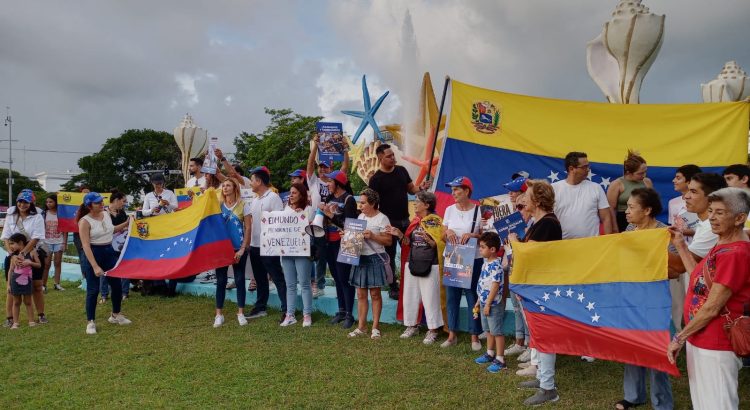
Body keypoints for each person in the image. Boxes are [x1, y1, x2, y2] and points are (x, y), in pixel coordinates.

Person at [667, 187, 750, 410]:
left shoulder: (735, 253)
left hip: (716, 343)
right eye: (711, 211)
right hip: (700, 337)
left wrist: (679, 337)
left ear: (739, 218)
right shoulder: (722, 243)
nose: (711, 217)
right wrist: (681, 246)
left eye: (720, 212)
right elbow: (699, 280)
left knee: (717, 404)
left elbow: (713, 306)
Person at [614, 188, 674, 410]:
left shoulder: (665, 233)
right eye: (626, 206)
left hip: (656, 301)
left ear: (647, 210)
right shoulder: (629, 229)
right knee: (632, 345)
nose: (626, 211)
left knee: (657, 349)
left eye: (631, 207)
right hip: (631, 297)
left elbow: (674, 269)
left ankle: (662, 403)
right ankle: (633, 395)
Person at [554, 152, 612, 367]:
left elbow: (606, 216)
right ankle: (565, 342)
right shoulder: (555, 189)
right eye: (584, 166)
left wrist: (609, 243)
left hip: (591, 253)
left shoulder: (596, 188)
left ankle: (591, 345)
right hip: (563, 254)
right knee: (565, 299)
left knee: (590, 300)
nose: (588, 169)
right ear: (571, 168)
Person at [515, 179, 564, 406]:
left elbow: (528, 253)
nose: (524, 199)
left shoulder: (548, 223)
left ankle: (548, 387)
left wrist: (513, 242)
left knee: (545, 337)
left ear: (537, 200)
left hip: (542, 288)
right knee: (539, 335)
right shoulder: (540, 222)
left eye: (528, 195)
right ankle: (542, 378)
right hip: (535, 286)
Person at [368, 143, 427, 300]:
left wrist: (420, 188)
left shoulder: (401, 170)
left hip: (405, 221)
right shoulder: (375, 179)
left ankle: (416, 281)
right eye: (389, 156)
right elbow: (372, 203)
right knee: (390, 256)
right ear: (380, 158)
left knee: (413, 250)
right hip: (388, 224)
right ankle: (393, 286)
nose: (393, 158)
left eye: (393, 154)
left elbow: (411, 189)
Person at [392, 190, 445, 345]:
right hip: (413, 262)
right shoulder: (415, 221)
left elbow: (440, 244)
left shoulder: (435, 221)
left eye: (418, 201)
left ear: (427, 204)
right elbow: (408, 243)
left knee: (430, 297)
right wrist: (399, 234)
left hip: (431, 264)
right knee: (410, 295)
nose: (415, 203)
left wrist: (431, 241)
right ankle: (411, 325)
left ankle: (433, 329)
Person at [77, 192, 132, 334]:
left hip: (109, 251)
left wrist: (126, 224)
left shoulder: (106, 214)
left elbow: (111, 230)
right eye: (97, 203)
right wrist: (95, 266)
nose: (101, 204)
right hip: (93, 254)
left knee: (117, 285)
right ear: (89, 206)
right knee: (93, 290)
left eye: (101, 201)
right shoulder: (84, 221)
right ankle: (90, 322)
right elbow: (86, 246)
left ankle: (116, 314)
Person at [441, 176, 483, 350]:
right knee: (452, 297)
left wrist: (473, 236)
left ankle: (475, 335)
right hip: (452, 258)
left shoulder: (479, 211)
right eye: (452, 190)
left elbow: (486, 235)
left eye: (457, 189)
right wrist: (448, 232)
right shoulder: (449, 210)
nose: (453, 193)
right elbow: (442, 235)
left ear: (467, 191)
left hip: (473, 259)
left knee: (472, 296)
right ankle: (452, 334)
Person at [306, 135, 349, 298]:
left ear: (331, 169)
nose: (322, 170)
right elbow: (309, 164)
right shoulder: (314, 182)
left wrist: (345, 149)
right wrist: (315, 146)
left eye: (326, 167)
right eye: (320, 167)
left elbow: (345, 167)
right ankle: (316, 284)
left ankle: (325, 284)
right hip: (317, 223)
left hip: (334, 224)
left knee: (328, 256)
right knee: (315, 254)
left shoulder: (335, 183)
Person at [346, 188, 391, 339]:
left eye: (363, 203)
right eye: (360, 202)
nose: (360, 205)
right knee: (360, 294)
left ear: (372, 203)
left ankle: (375, 327)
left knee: (375, 294)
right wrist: (346, 236)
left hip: (374, 258)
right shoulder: (360, 217)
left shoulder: (382, 219)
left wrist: (372, 236)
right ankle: (361, 327)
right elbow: (355, 239)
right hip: (360, 258)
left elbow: (388, 241)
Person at [245, 166, 287, 322]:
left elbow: (279, 221)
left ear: (259, 181)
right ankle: (260, 307)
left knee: (277, 277)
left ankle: (286, 309)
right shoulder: (254, 200)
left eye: (252, 181)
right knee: (260, 278)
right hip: (255, 244)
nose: (250, 184)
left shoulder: (273, 198)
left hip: (269, 245)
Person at [318, 170, 358, 329]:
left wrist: (331, 215)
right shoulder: (329, 198)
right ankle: (341, 310)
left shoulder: (349, 199)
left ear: (338, 183)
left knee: (345, 278)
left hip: (346, 243)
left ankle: (349, 314)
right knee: (336, 278)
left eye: (330, 181)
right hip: (330, 243)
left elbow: (351, 225)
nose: (327, 184)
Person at [1, 190, 46, 326]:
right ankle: (10, 318)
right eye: (20, 201)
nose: (22, 204)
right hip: (14, 256)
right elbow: (6, 237)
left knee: (37, 286)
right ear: (17, 201)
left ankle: (41, 315)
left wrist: (23, 254)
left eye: (26, 202)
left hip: (33, 253)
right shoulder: (10, 216)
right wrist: (12, 254)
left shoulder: (37, 217)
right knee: (12, 287)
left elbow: (36, 237)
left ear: (31, 203)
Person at [668, 173, 728, 275]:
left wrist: (650, 245)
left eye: (693, 192)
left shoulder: (712, 228)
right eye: (688, 190)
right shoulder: (705, 224)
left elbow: (680, 266)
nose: (686, 196)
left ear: (712, 198)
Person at [667, 164, 702, 331]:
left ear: (689, 182)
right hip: (677, 254)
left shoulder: (702, 204)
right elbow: (672, 227)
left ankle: (693, 329)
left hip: (696, 255)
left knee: (693, 295)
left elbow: (706, 229)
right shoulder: (673, 203)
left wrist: (686, 231)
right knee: (676, 297)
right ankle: (677, 331)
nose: (674, 180)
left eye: (678, 177)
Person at [213, 178, 251, 328]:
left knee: (240, 279)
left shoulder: (244, 205)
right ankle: (218, 314)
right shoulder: (218, 206)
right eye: (223, 186)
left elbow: (248, 228)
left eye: (228, 185)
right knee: (221, 280)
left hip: (238, 248)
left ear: (235, 188)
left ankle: (240, 313)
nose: (225, 188)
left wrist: (242, 248)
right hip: (222, 249)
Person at [501, 173, 530, 358]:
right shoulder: (510, 214)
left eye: (514, 191)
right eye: (510, 191)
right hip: (511, 262)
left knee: (524, 305)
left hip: (524, 264)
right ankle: (520, 341)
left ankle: (529, 343)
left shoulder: (528, 215)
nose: (510, 194)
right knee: (516, 304)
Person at [280, 183, 314, 327]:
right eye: (290, 192)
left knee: (305, 283)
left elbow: (312, 229)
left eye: (294, 193)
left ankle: (307, 315)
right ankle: (290, 314)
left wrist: (301, 216)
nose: (291, 195)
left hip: (302, 251)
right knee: (290, 284)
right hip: (286, 250)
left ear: (301, 194)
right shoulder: (285, 208)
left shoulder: (309, 209)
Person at [473, 231, 507, 373]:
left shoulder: (496, 266)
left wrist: (487, 304)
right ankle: (490, 352)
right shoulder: (486, 263)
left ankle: (500, 359)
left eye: (482, 247)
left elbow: (494, 285)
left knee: (496, 331)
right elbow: (483, 283)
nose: (480, 249)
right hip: (484, 303)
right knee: (488, 330)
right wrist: (478, 301)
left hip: (493, 304)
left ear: (492, 249)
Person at [607, 150, 653, 232]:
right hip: (623, 221)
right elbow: (611, 209)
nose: (644, 175)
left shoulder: (647, 182)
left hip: (644, 221)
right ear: (629, 172)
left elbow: (652, 204)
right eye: (640, 173)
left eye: (645, 172)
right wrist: (614, 228)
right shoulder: (616, 184)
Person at [99, 191, 130, 302]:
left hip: (121, 245)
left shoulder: (122, 213)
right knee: (106, 269)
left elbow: (125, 228)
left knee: (125, 266)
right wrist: (125, 225)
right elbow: (109, 230)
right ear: (116, 200)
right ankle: (104, 294)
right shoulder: (104, 213)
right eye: (123, 201)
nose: (124, 203)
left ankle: (124, 292)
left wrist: (125, 228)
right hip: (108, 245)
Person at [7, 233, 41, 329]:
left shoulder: (32, 252)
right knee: (16, 302)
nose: (10, 246)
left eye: (12, 243)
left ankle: (31, 321)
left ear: (21, 243)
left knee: (28, 301)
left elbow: (39, 265)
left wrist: (30, 262)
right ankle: (15, 322)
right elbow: (10, 270)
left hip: (27, 281)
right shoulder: (13, 256)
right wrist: (8, 285)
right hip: (15, 282)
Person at [41, 193, 66, 292]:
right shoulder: (44, 214)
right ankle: (43, 285)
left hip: (59, 241)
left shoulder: (61, 214)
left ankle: (57, 284)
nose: (48, 204)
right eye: (47, 202)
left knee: (57, 263)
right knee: (46, 264)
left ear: (56, 202)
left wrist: (64, 242)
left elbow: (65, 229)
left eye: (51, 201)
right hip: (47, 242)